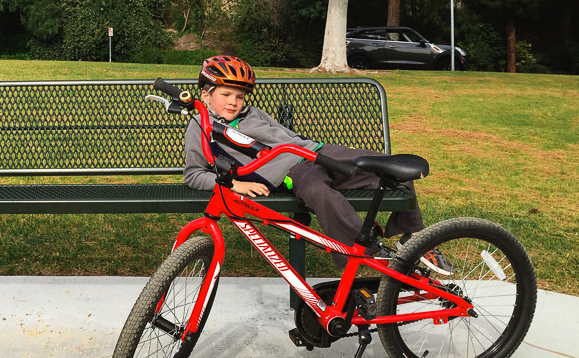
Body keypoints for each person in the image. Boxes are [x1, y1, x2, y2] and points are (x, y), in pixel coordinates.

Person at [183, 55, 453, 275]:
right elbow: (194, 174)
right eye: (226, 94)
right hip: (294, 171)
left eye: (240, 96)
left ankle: (413, 235)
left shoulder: (252, 113)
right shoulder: (201, 127)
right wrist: (235, 184)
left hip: (317, 152)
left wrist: (310, 147)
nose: (234, 102)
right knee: (321, 194)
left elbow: (285, 135)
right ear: (206, 95)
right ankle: (370, 251)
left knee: (391, 167)